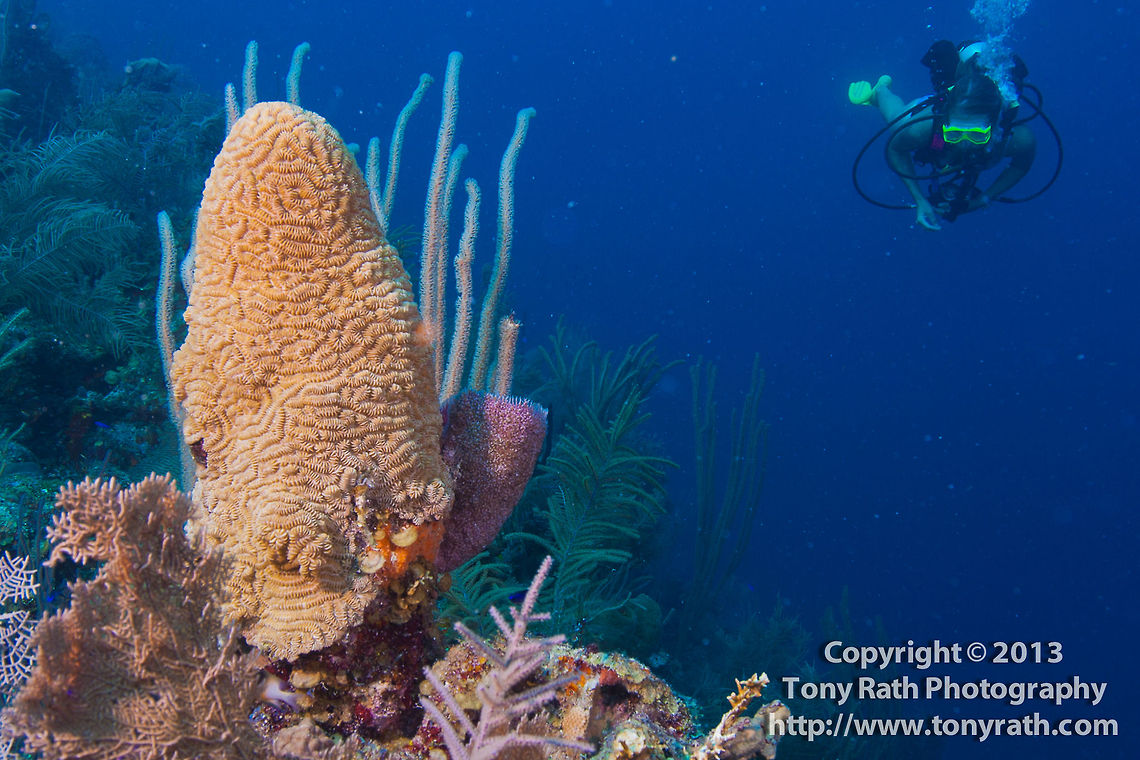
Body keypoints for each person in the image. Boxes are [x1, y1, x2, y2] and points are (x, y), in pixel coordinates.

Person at [849, 41, 1036, 230]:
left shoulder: (1016, 140)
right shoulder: (924, 126)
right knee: (896, 119)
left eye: (977, 135)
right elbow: (895, 148)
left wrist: (982, 199)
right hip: (939, 113)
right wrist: (919, 199)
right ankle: (880, 90)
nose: (964, 144)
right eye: (954, 133)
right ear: (944, 119)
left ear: (994, 126)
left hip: (976, 106)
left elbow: (1022, 163)